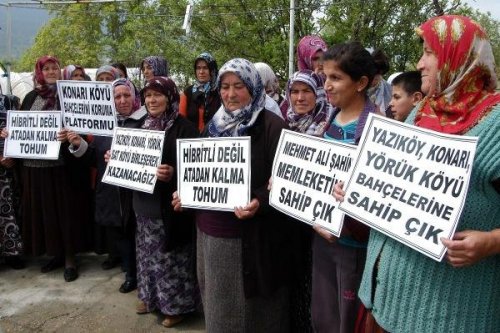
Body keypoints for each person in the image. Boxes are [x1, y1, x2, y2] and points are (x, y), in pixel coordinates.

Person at [335, 15, 500, 332]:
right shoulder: (423, 112)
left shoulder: (495, 124)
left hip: (450, 318)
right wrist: (359, 192)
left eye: (429, 53)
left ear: (459, 56)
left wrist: (491, 242)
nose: (420, 63)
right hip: (386, 306)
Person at [173, 58, 296, 332]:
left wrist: (259, 202)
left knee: (251, 314)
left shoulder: (273, 127)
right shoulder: (213, 126)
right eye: (225, 87)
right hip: (208, 235)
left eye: (238, 86)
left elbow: (287, 183)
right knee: (218, 310)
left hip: (248, 241)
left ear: (253, 87)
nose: (230, 94)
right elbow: (201, 173)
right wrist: (186, 194)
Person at [3, 56, 93, 282]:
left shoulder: (68, 97)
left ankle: (70, 258)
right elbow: (22, 128)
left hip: (61, 168)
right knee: (44, 213)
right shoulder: (31, 96)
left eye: (55, 68)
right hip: (34, 168)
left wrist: (69, 135)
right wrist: (9, 135)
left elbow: (80, 128)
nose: (51, 71)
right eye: (47, 68)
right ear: (40, 72)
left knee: (64, 213)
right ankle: (55, 254)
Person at [312, 42, 379, 333]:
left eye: (336, 78)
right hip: (321, 237)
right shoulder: (331, 118)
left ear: (361, 83)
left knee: (347, 319)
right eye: (325, 77)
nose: (326, 86)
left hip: (354, 247)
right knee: (324, 314)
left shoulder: (379, 128)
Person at [127, 76, 199, 327]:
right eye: (147, 95)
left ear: (170, 97)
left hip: (169, 208)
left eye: (157, 95)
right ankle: (149, 298)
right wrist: (116, 158)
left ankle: (175, 306)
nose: (151, 100)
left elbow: (195, 167)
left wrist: (172, 175)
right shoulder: (140, 125)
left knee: (170, 257)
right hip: (142, 205)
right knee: (146, 256)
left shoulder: (184, 128)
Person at [67, 78, 147, 293]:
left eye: (126, 95)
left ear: (134, 96)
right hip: (112, 193)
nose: (122, 101)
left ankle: (144, 275)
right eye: (117, 97)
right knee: (121, 235)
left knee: (139, 234)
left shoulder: (146, 121)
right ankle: (131, 274)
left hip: (137, 193)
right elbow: (93, 156)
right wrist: (78, 144)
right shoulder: (104, 125)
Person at [283, 69, 334, 332]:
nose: (300, 98)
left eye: (306, 92)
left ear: (319, 94)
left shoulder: (328, 125)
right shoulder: (282, 123)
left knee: (314, 279)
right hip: (288, 218)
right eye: (294, 91)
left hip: (316, 222)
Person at [0, 87, 23, 269]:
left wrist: (13, 155)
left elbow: (23, 129)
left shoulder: (10, 101)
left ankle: (13, 253)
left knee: (11, 208)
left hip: (10, 166)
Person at [179, 52, 221, 131]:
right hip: (191, 140)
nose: (201, 72)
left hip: (215, 140)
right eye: (198, 68)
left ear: (212, 70)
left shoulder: (220, 92)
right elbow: (181, 121)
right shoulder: (188, 93)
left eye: (205, 68)